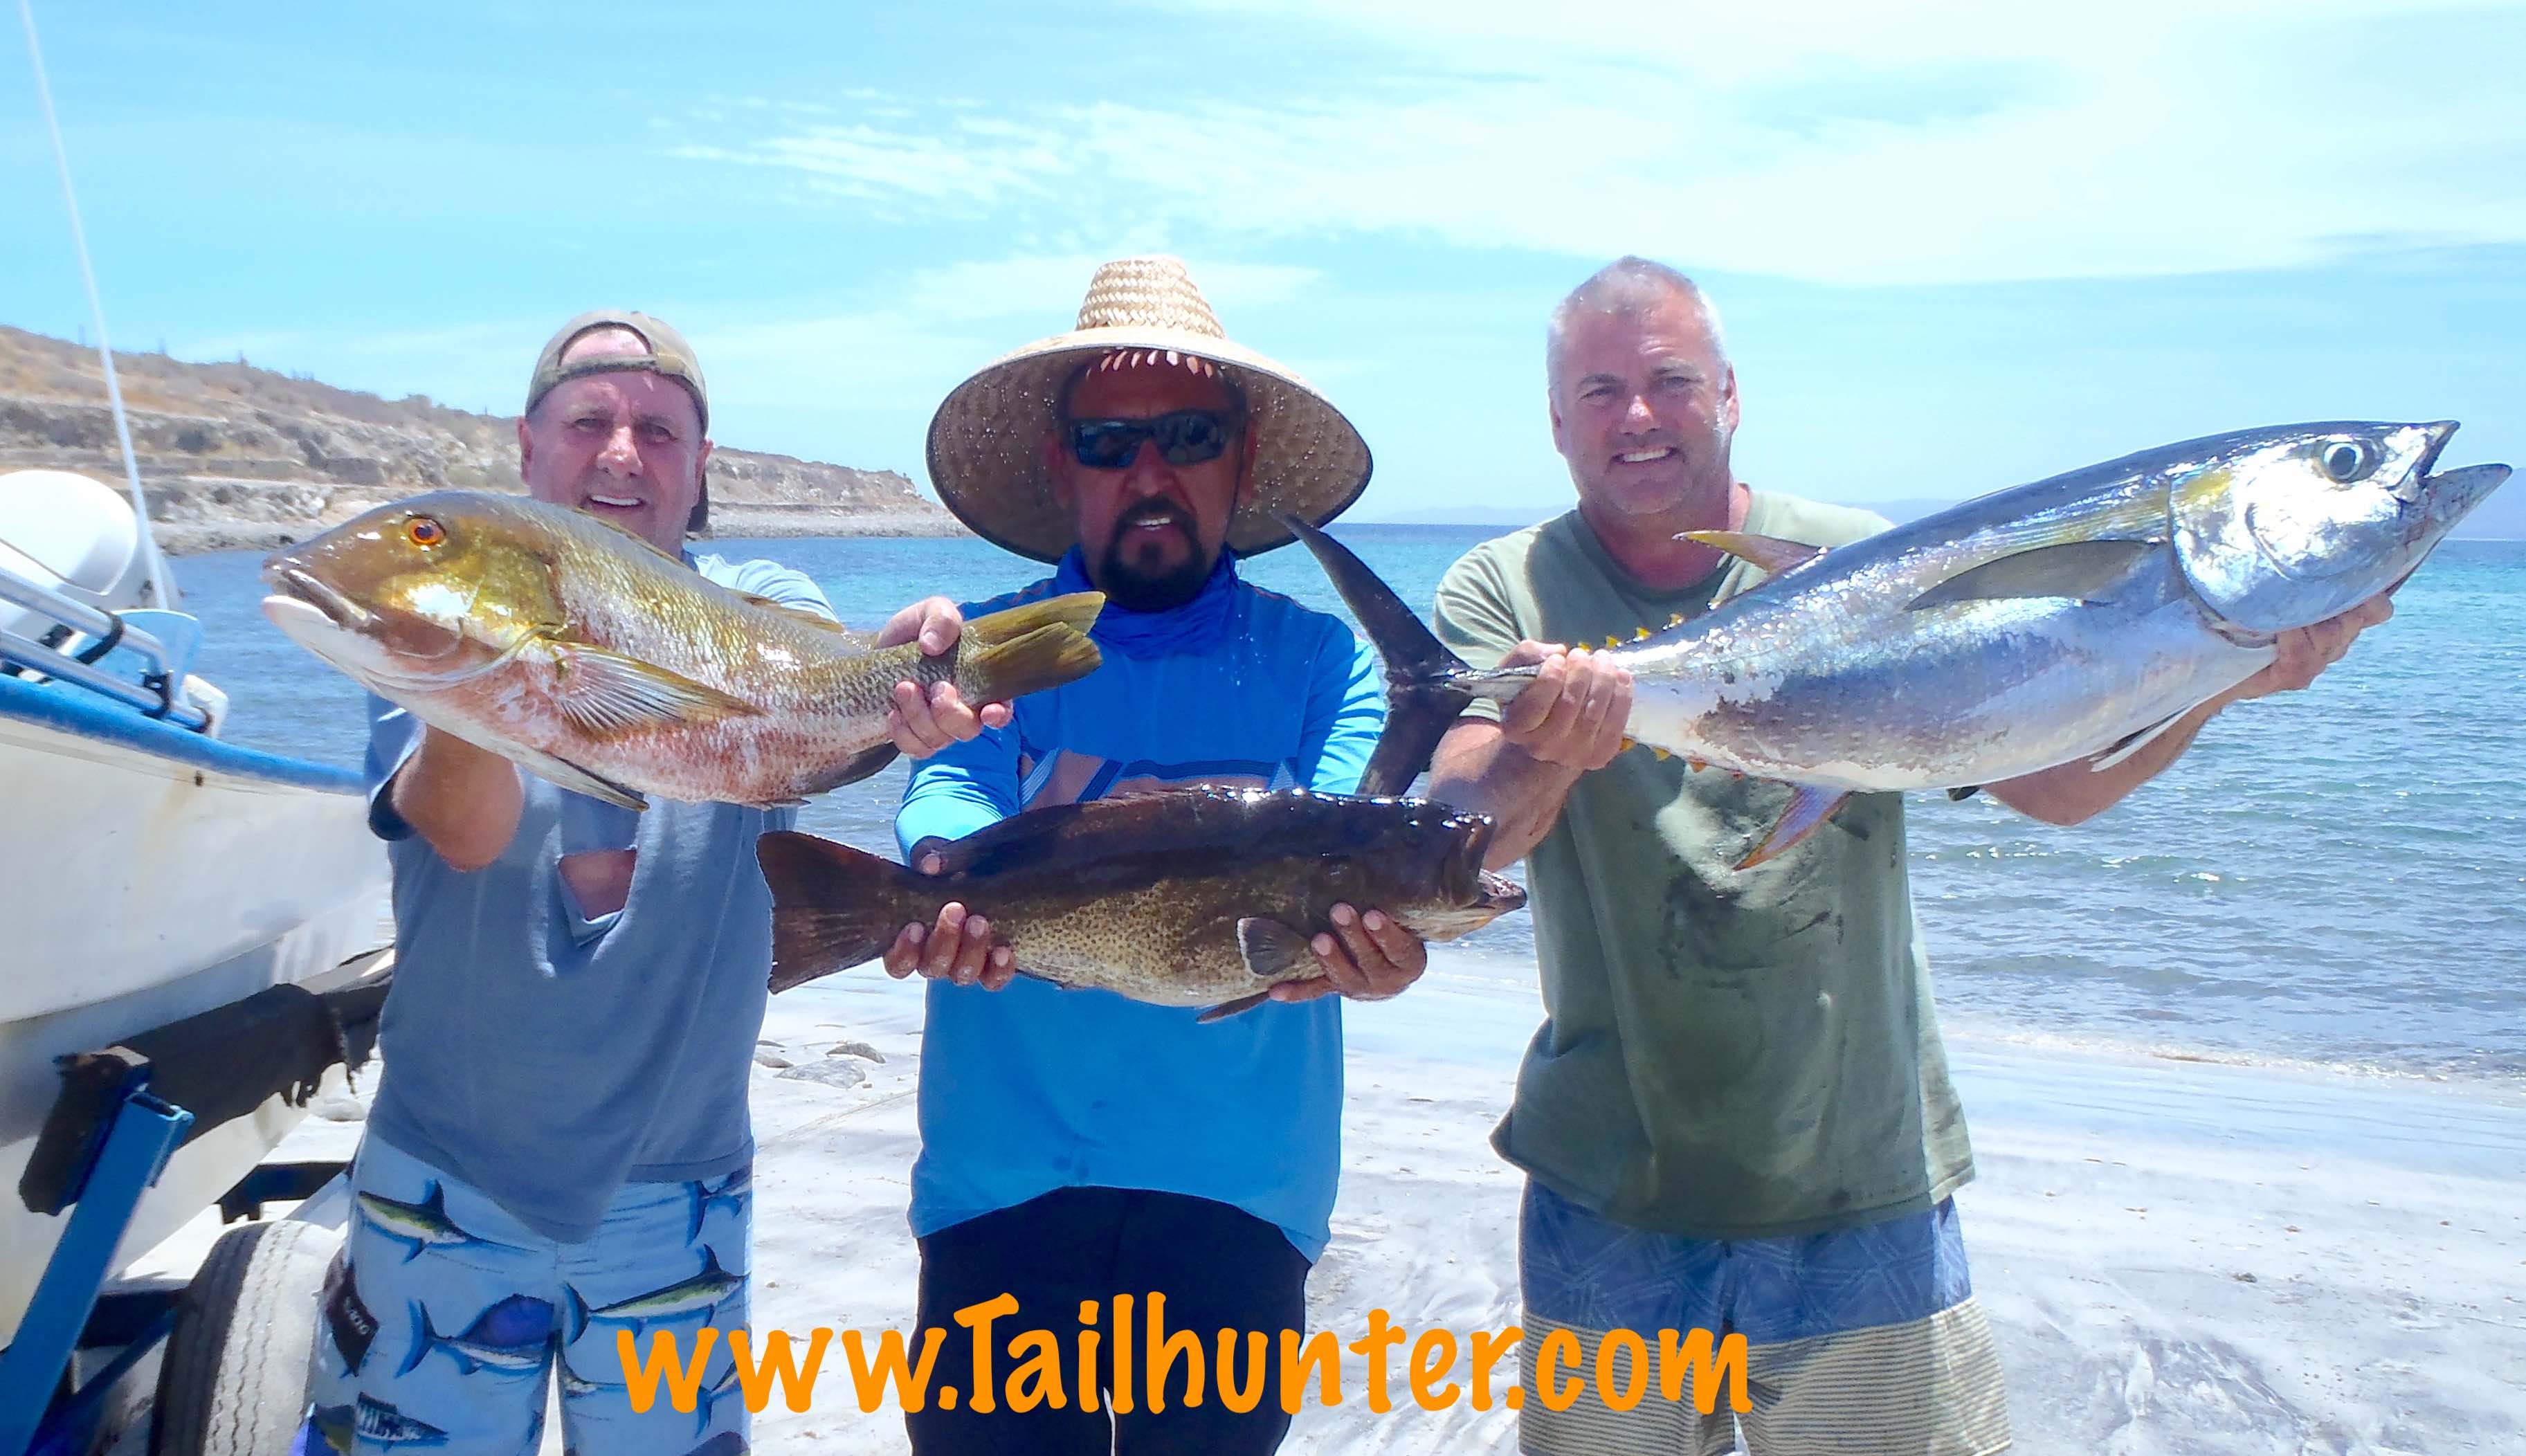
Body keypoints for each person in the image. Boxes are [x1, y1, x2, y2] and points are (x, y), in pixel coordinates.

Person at [1426, 257, 2396, 1456]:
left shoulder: (1865, 560)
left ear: (1729, 396)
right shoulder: (1505, 588)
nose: (1636, 415)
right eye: (1599, 390)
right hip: (1608, 1182)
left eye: (1669, 381)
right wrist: (1553, 742)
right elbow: (1466, 830)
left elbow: (2053, 785)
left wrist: (2227, 674)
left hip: (1859, 1170)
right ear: (1556, 421)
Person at [299, 311, 1002, 1455]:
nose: (622, 453)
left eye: (659, 431)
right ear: (528, 447)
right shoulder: (423, 626)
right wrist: (486, 669)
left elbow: (817, 695)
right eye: (588, 422)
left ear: (700, 465)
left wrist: (902, 680)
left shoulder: (755, 595)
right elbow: (461, 835)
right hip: (444, 1173)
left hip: (681, 1187)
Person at [884, 256, 1425, 1453]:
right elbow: (949, 794)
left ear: (1240, 459)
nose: (1148, 473)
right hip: (1001, 1180)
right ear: (1058, 466)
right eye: (1106, 442)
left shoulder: (1324, 664)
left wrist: (1373, 947)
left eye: (1187, 436)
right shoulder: (988, 650)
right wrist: (938, 889)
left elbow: (1348, 852)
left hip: (1240, 1191)